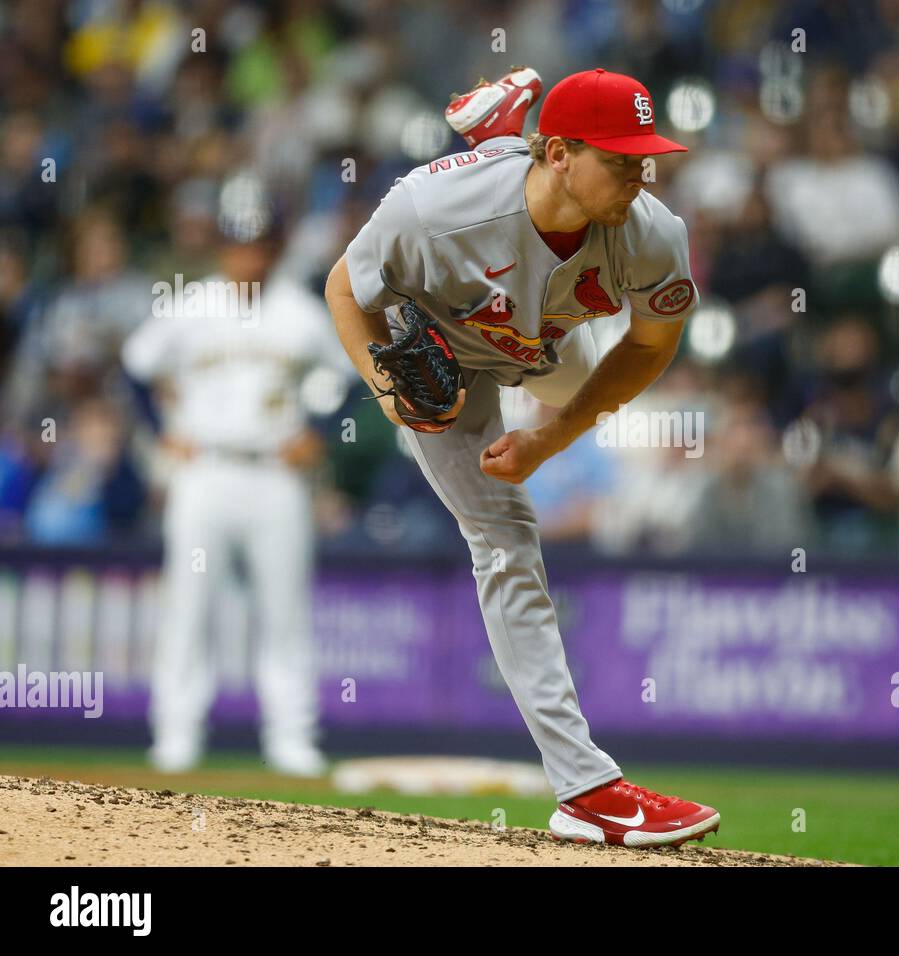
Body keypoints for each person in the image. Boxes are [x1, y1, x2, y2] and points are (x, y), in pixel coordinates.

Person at [325, 67, 721, 849]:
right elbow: (344, 287)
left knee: (568, 365)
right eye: (621, 159)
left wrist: (552, 437)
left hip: (546, 342)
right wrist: (391, 392)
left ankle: (497, 128)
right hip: (445, 349)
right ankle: (585, 789)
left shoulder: (652, 232)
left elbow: (648, 346)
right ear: (562, 153)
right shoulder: (429, 208)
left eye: (647, 158)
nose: (641, 175)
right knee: (504, 540)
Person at [122, 184, 349, 776]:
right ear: (222, 245)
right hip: (205, 472)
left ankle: (291, 738)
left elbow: (346, 383)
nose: (249, 255)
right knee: (188, 607)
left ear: (275, 245)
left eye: (259, 242)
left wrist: (320, 430)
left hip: (276, 476)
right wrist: (159, 432)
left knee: (285, 611)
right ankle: (176, 735)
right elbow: (136, 367)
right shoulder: (190, 304)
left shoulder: (300, 312)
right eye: (238, 242)